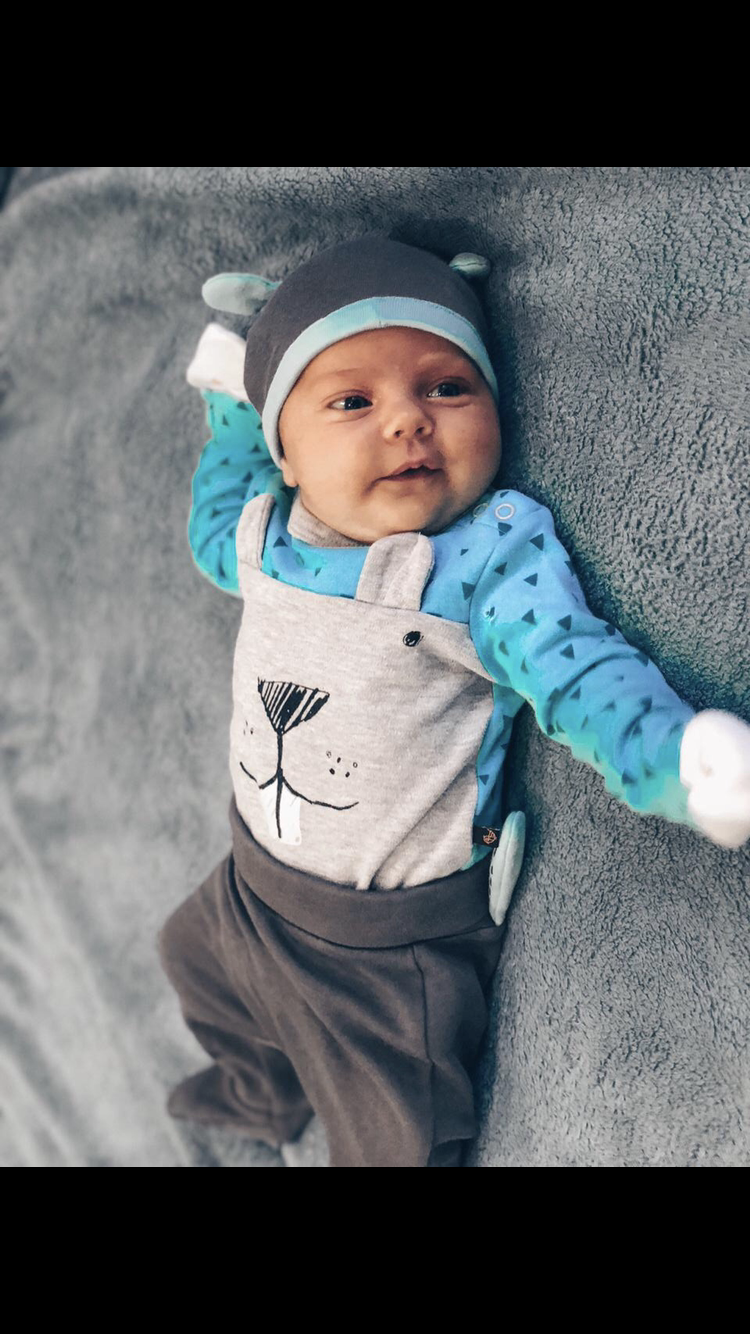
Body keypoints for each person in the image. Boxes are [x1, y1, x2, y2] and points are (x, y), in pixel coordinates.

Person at [156, 234, 750, 1167]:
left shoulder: (477, 564)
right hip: (250, 883)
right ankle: (259, 1093)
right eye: (352, 401)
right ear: (288, 453)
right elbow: (211, 521)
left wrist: (673, 757)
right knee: (191, 961)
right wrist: (230, 405)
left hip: (387, 956)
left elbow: (575, 670)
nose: (407, 421)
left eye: (447, 387)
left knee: (402, 1135)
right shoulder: (265, 534)